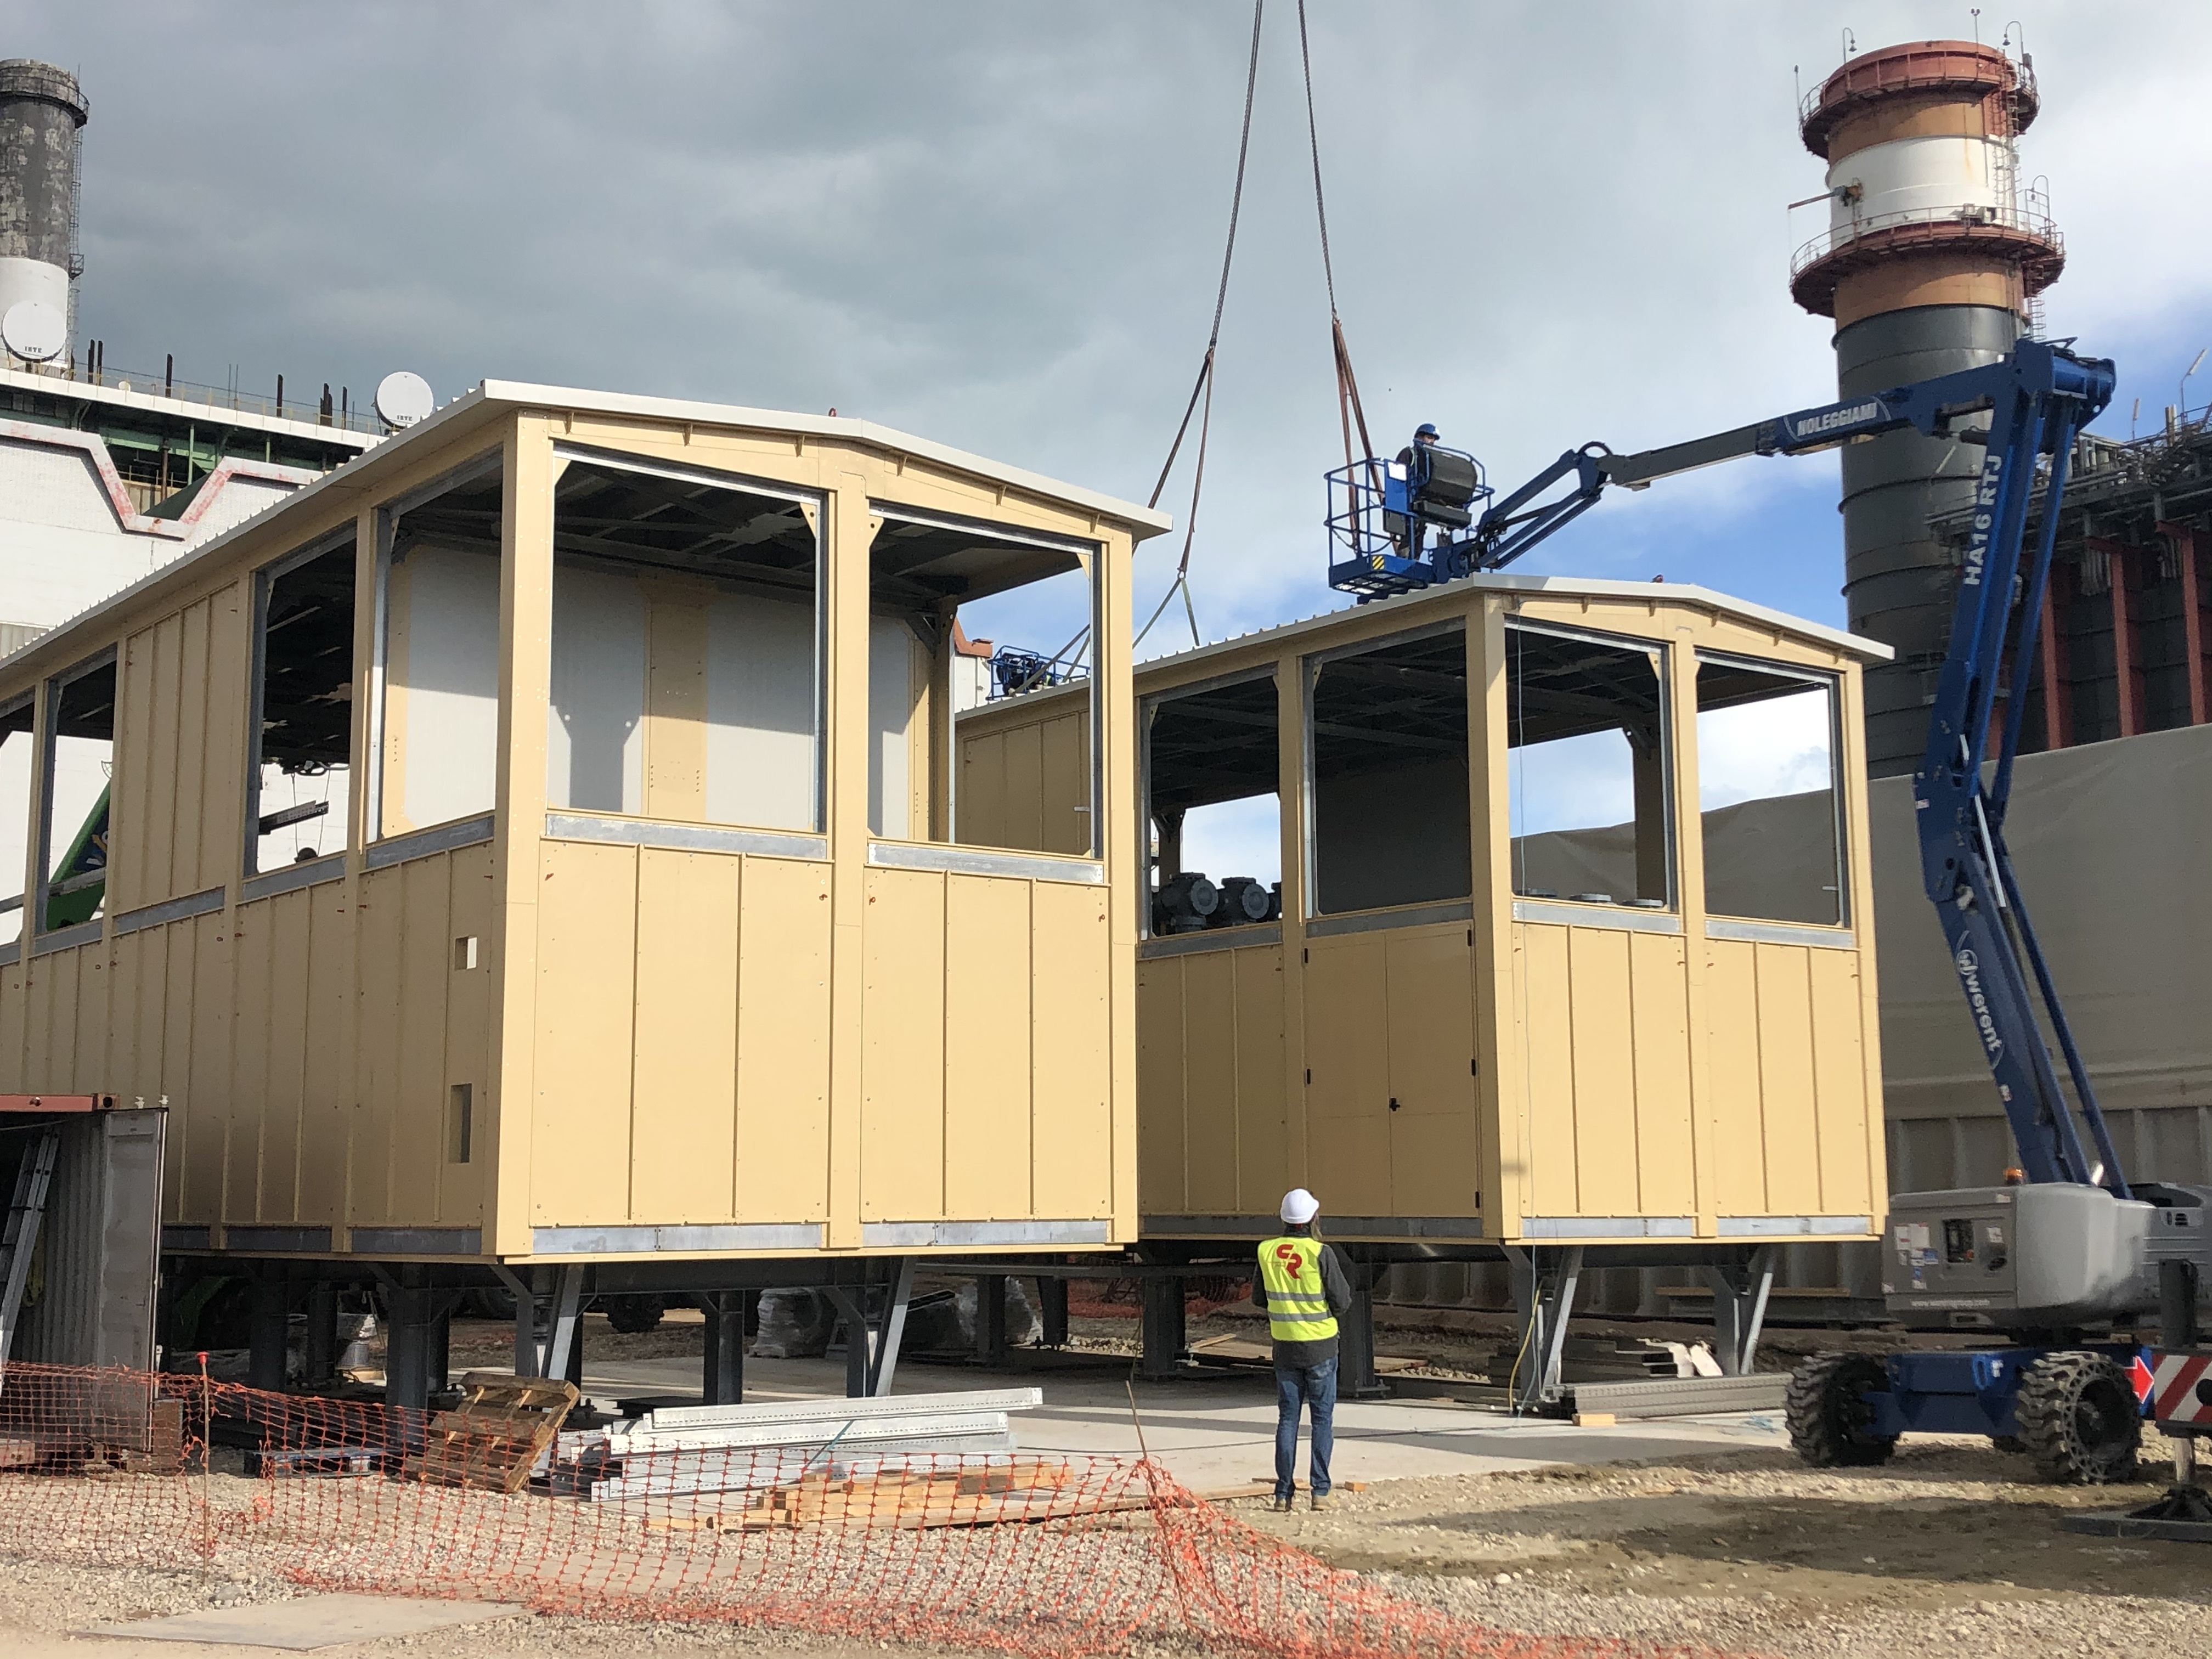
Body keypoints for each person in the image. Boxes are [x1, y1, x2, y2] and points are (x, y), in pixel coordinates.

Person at [1254, 1187, 1353, 1512]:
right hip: (1321, 1347)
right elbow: (1343, 1300)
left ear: (1283, 1219)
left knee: (1288, 1419)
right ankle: (1320, 1492)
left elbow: (1258, 1298)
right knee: (1322, 1419)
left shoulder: (1266, 1251)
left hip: (1285, 1346)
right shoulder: (1320, 1253)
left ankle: (1283, 1494)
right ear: (1312, 1218)